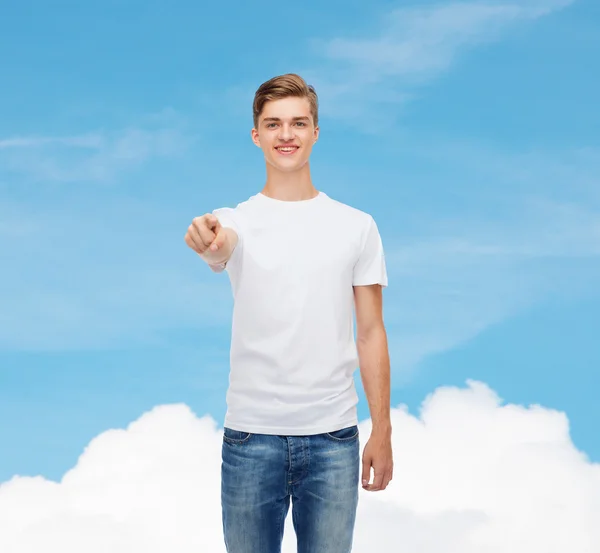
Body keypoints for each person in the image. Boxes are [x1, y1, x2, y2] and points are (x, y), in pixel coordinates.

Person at [184, 73, 393, 553]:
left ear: (315, 132)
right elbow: (219, 247)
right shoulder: (236, 219)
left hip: (334, 440)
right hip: (250, 439)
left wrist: (382, 429)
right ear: (256, 135)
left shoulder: (357, 227)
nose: (286, 134)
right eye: (273, 124)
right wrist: (207, 240)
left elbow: (370, 332)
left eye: (298, 123)